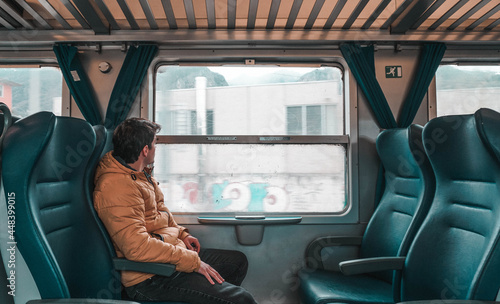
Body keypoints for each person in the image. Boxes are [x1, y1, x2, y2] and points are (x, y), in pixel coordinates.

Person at [93, 117, 257, 304]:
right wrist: (192, 262)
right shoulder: (116, 187)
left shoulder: (139, 175)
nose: (156, 148)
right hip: (149, 277)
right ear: (145, 150)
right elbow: (137, 248)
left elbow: (160, 212)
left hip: (166, 259)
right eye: (155, 144)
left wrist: (182, 233)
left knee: (236, 262)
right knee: (242, 299)